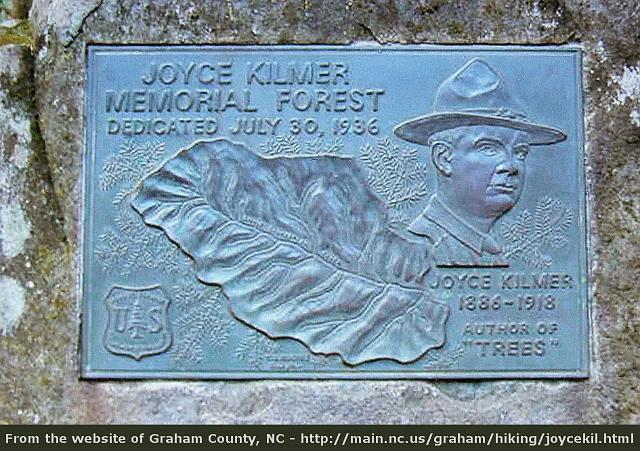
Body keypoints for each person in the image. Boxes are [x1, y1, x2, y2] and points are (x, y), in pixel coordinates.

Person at [394, 58, 567, 267]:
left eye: (520, 152)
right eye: (489, 149)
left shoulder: (486, 250)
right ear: (443, 158)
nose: (511, 166)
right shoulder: (422, 250)